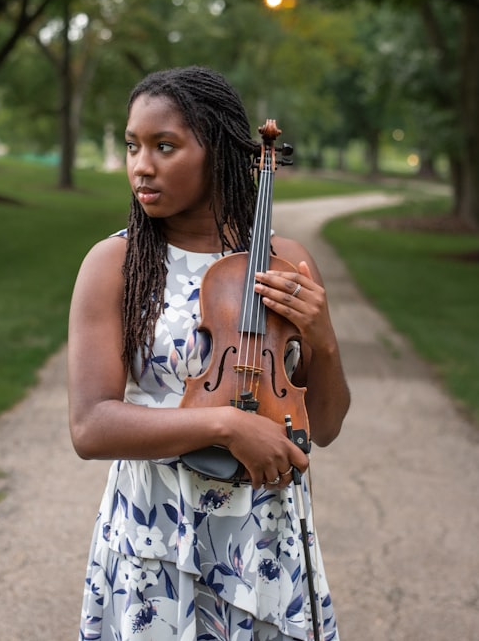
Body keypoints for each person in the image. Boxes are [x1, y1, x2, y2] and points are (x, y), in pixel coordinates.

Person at [68, 65, 351, 640]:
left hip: (262, 536)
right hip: (158, 532)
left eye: (164, 146)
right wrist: (224, 425)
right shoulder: (115, 264)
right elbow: (91, 426)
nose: (141, 166)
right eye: (133, 145)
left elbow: (323, 425)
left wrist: (320, 338)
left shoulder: (283, 261)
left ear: (217, 151)